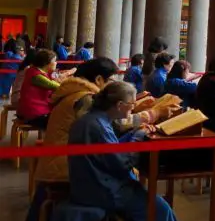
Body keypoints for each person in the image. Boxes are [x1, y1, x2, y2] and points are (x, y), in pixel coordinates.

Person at [67, 81, 190, 221]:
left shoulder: (92, 120)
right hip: (102, 188)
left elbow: (110, 151)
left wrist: (134, 134)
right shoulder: (99, 126)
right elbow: (120, 163)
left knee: (156, 205)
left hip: (86, 182)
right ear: (119, 106)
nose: (133, 109)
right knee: (159, 208)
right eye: (132, 105)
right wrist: (138, 137)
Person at [34, 58, 176, 195]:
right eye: (111, 80)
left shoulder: (76, 93)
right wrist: (153, 113)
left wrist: (134, 107)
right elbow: (114, 124)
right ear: (99, 80)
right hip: (67, 167)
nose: (113, 84)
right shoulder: (86, 98)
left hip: (61, 160)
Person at [16, 48, 59, 127]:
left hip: (32, 110)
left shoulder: (36, 71)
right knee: (64, 122)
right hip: (33, 114)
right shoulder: (36, 75)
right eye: (54, 61)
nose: (56, 63)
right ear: (47, 63)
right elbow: (56, 86)